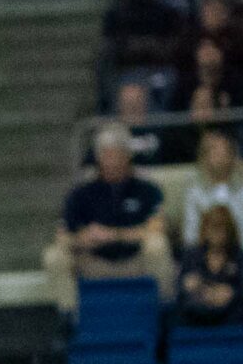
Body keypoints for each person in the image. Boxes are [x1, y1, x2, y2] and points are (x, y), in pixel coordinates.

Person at [43, 124, 171, 312]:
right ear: (98, 159)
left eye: (116, 155)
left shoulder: (148, 190)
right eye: (106, 155)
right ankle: (69, 318)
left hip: (135, 260)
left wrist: (115, 235)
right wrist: (82, 239)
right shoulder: (81, 194)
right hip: (95, 261)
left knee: (157, 245)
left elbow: (157, 229)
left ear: (128, 156)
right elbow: (62, 236)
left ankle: (163, 312)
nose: (112, 162)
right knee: (53, 256)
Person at [181, 126, 243, 256]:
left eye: (223, 150)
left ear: (232, 155)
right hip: (204, 250)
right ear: (204, 157)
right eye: (213, 151)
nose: (218, 156)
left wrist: (228, 244)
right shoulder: (194, 191)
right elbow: (190, 234)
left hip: (240, 248)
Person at [176, 205, 243, 327]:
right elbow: (179, 289)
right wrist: (195, 289)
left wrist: (233, 294)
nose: (216, 233)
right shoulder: (191, 257)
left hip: (233, 321)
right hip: (196, 319)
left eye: (221, 228)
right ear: (204, 229)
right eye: (212, 228)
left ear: (230, 230)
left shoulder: (242, 259)